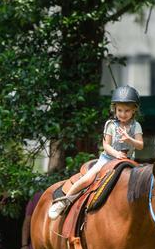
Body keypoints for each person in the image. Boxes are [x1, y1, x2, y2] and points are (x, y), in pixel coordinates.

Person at [48, 86, 144, 219]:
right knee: (88, 178)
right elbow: (106, 145)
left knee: (142, 182)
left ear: (134, 110)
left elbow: (140, 145)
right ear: (114, 109)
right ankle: (64, 201)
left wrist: (129, 139)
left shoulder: (136, 126)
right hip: (108, 159)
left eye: (127, 110)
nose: (123, 113)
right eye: (119, 110)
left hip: (127, 161)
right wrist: (116, 154)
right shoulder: (111, 124)